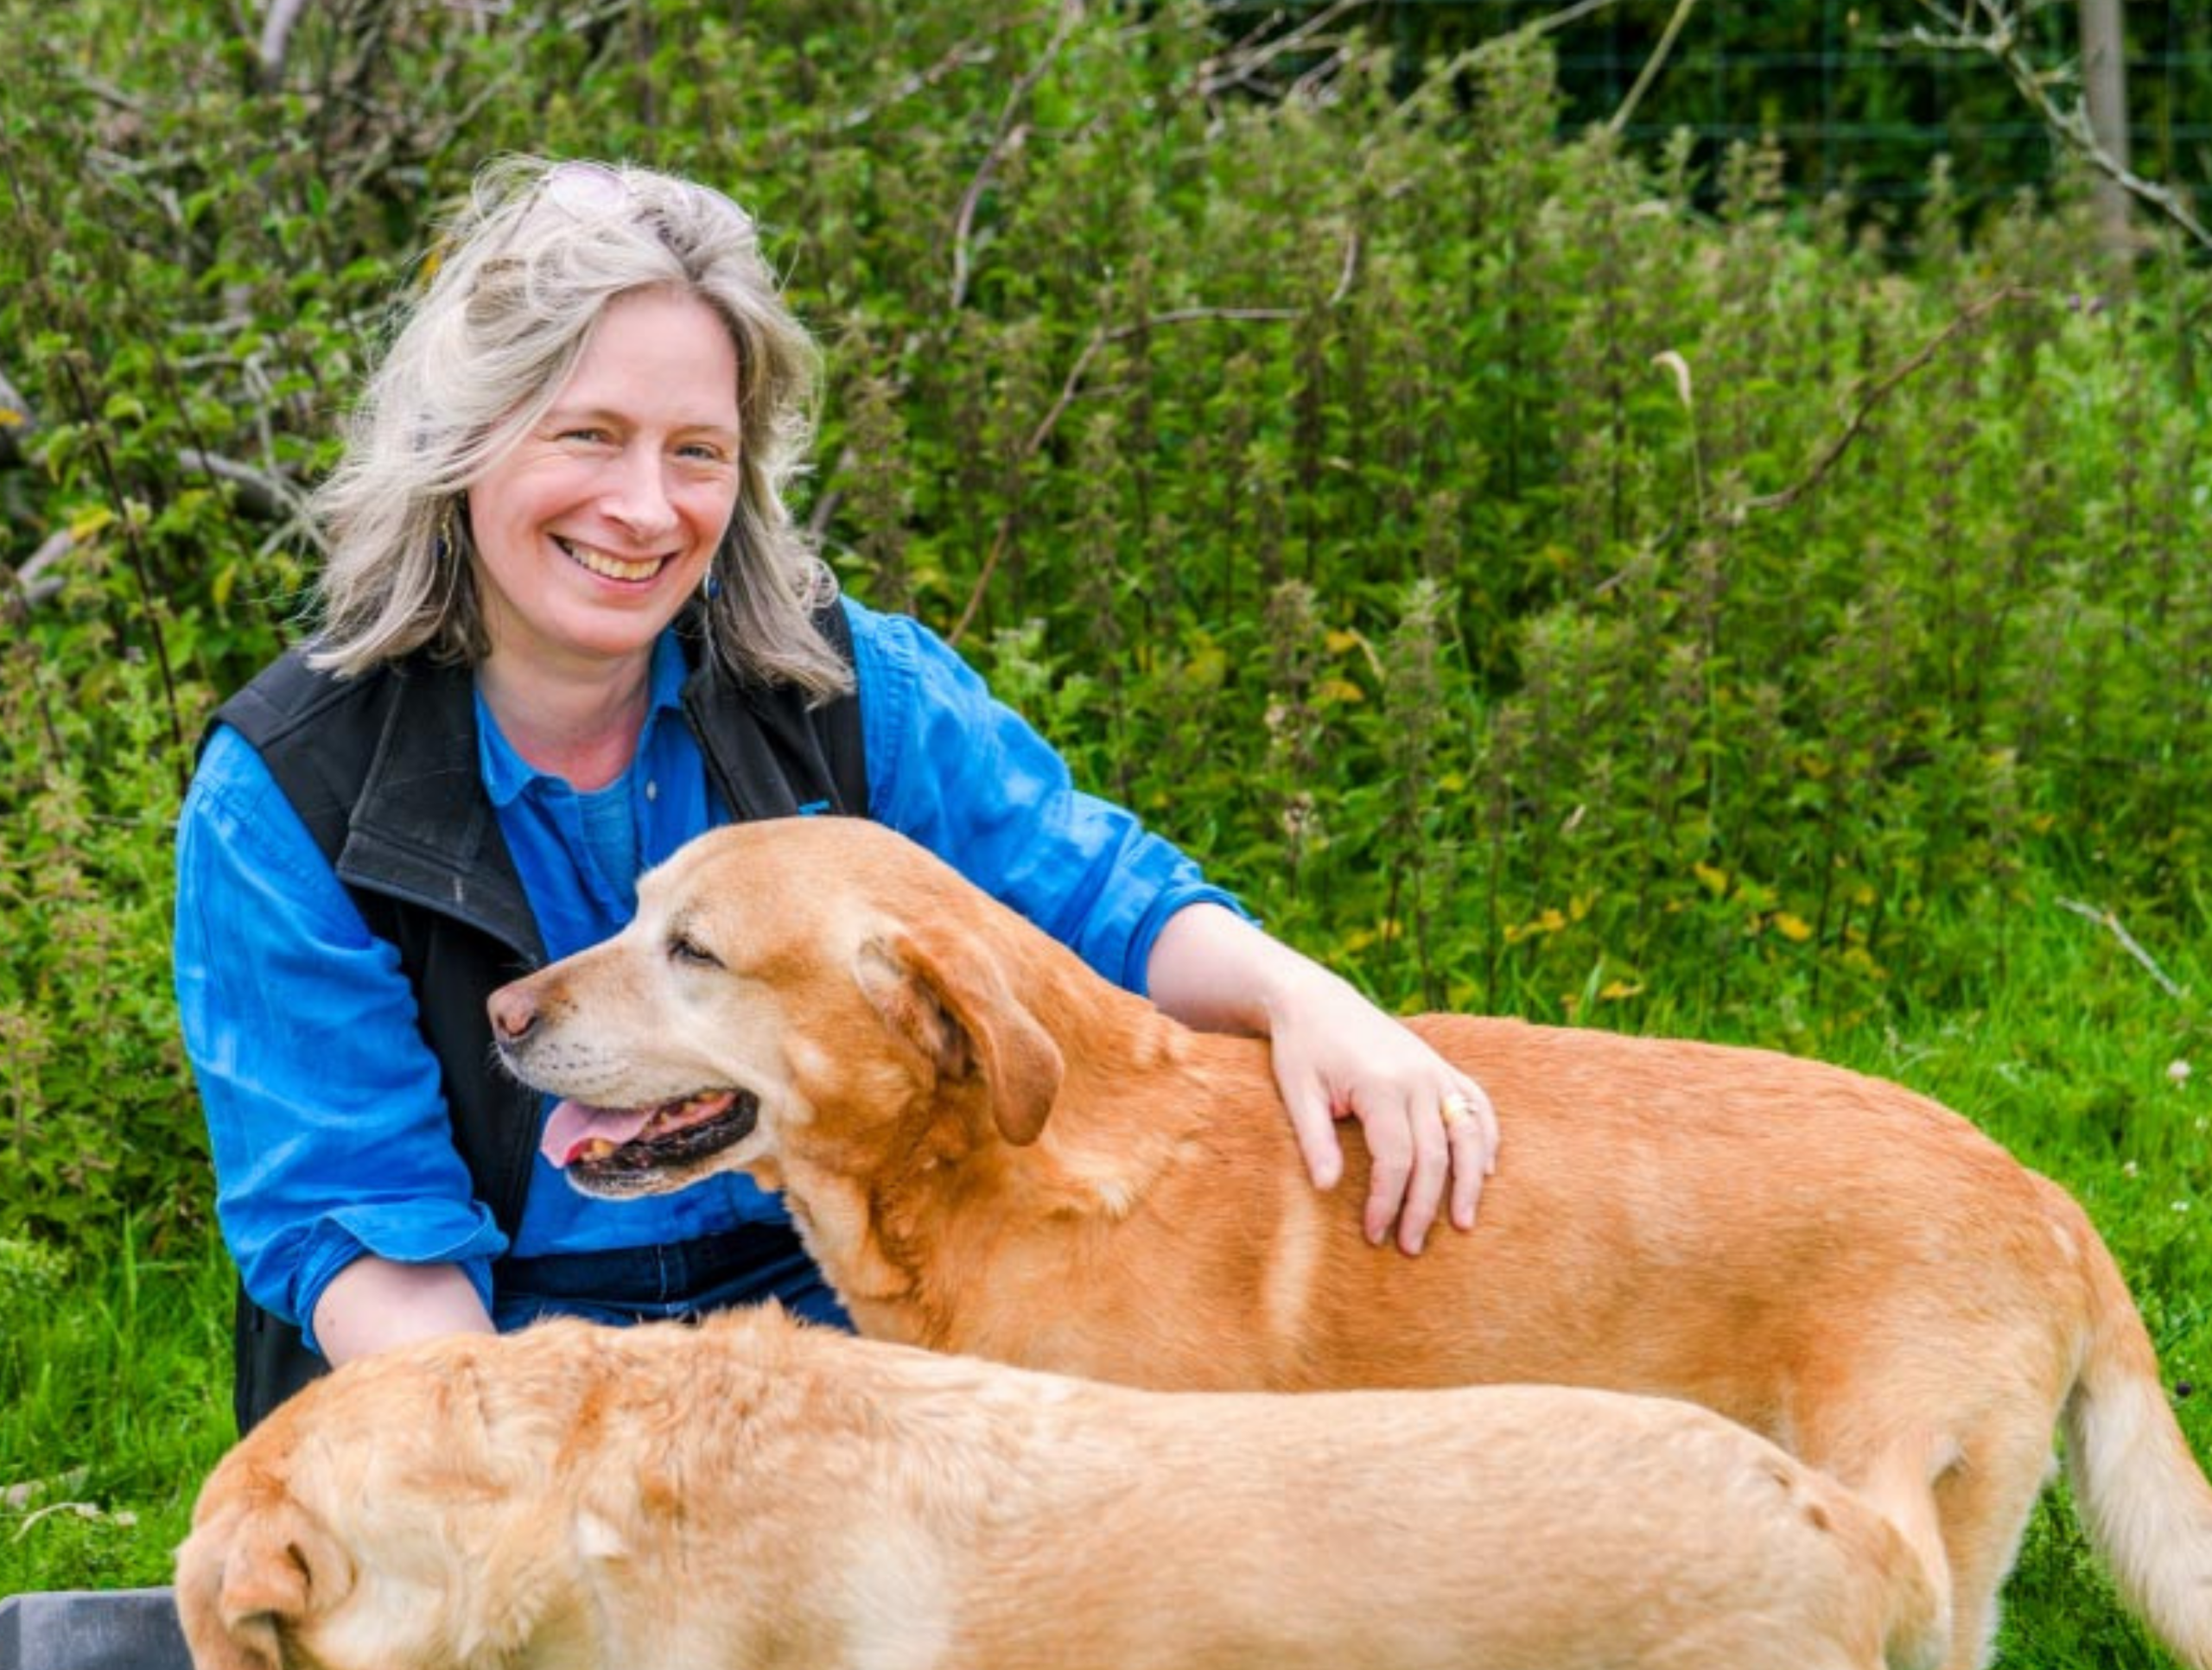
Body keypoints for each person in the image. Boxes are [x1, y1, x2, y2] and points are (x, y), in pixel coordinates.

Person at [173, 156, 1499, 1432]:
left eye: (698, 451)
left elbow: (1093, 894)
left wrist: (1307, 998)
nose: (646, 508)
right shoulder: (291, 792)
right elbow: (363, 1229)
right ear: (463, 442)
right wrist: (539, 1468)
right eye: (589, 436)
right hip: (494, 1350)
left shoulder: (846, 688)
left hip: (841, 1316)